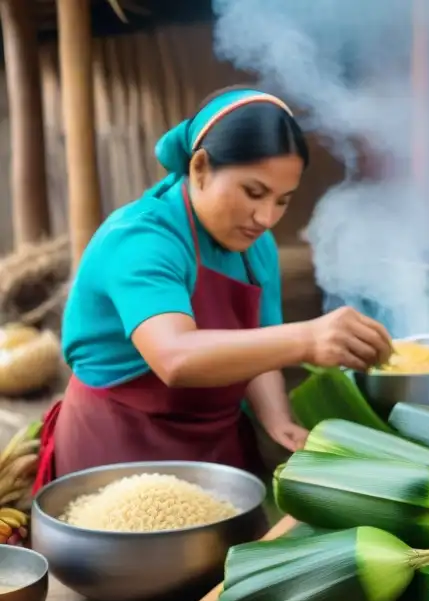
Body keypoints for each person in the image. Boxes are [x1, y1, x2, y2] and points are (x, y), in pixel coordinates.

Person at [34, 87, 392, 490]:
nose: (266, 217)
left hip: (216, 451)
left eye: (283, 201)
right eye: (253, 193)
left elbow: (259, 346)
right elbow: (175, 357)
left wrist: (277, 419)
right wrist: (308, 339)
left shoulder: (257, 247)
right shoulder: (140, 239)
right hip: (119, 449)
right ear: (201, 168)